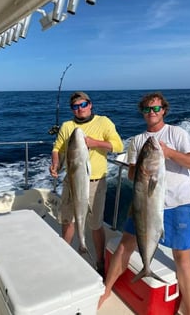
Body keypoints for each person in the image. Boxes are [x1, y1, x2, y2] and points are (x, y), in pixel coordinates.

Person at [99, 92, 190, 315]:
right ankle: (106, 290)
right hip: (143, 201)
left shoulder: (177, 133)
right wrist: (138, 167)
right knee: (126, 244)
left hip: (178, 203)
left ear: (163, 110)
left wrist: (168, 153)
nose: (152, 112)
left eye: (156, 108)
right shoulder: (137, 141)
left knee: (182, 256)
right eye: (147, 109)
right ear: (142, 112)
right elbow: (131, 175)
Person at [50, 91, 123, 276]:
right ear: (72, 109)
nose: (80, 109)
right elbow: (57, 148)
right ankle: (63, 255)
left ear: (90, 105)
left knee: (95, 224)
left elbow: (118, 146)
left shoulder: (103, 122)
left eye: (83, 105)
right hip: (71, 180)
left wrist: (94, 142)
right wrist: (55, 164)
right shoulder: (67, 126)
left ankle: (100, 262)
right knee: (68, 220)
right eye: (75, 106)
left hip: (95, 183)